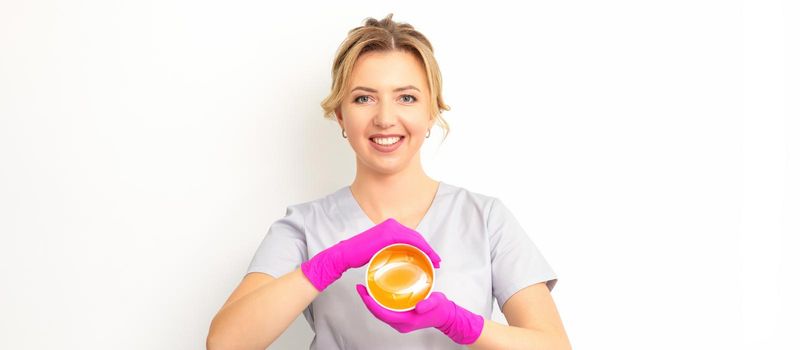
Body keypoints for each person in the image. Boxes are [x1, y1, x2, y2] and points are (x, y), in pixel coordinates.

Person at [207, 13, 571, 350]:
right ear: (340, 116)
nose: (385, 118)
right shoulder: (304, 227)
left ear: (431, 111)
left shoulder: (485, 219)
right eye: (363, 98)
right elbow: (224, 343)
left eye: (406, 98)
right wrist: (329, 263)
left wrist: (462, 324)